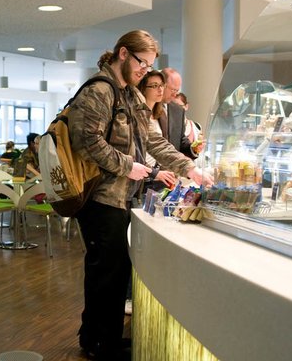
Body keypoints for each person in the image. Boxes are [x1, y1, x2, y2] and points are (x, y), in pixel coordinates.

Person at [67, 30, 213, 360]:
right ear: (123, 54)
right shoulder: (99, 90)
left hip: (120, 197)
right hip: (99, 198)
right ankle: (100, 342)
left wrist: (189, 168)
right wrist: (128, 166)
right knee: (107, 271)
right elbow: (86, 141)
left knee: (114, 271)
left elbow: (155, 141)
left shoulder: (131, 95)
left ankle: (99, 337)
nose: (145, 70)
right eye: (142, 62)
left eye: (149, 65)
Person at [137, 70, 178, 192]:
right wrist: (153, 173)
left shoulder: (161, 115)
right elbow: (134, 152)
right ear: (143, 89)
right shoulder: (137, 114)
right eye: (154, 86)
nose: (160, 90)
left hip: (158, 178)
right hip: (140, 179)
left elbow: (162, 146)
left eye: (161, 85)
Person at [160, 67, 202, 158]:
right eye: (172, 90)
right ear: (162, 85)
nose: (175, 94)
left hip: (171, 168)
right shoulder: (147, 106)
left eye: (177, 90)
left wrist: (193, 148)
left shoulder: (178, 111)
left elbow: (181, 141)